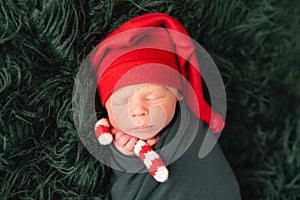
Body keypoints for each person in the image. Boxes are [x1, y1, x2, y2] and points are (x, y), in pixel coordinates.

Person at [90, 12, 241, 199]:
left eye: (152, 97)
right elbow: (119, 192)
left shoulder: (191, 131)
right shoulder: (111, 140)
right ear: (106, 109)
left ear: (177, 92)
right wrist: (123, 155)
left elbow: (217, 182)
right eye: (122, 102)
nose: (138, 111)